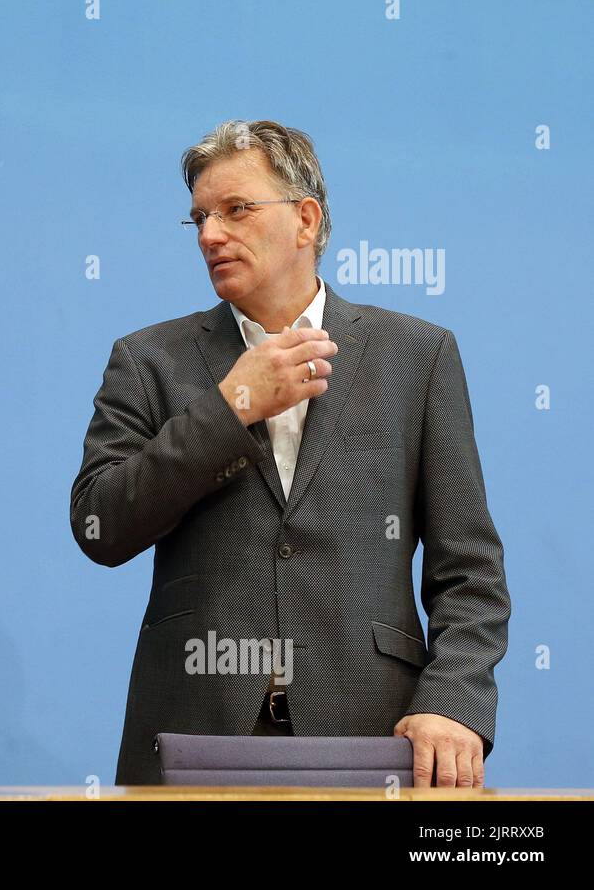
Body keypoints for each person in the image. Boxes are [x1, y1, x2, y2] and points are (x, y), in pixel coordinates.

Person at [70, 119, 510, 788]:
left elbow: (469, 570)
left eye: (236, 210)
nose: (211, 234)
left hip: (371, 731)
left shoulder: (416, 357)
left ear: (305, 219)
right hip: (197, 730)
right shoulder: (148, 359)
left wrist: (452, 701)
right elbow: (99, 523)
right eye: (199, 219)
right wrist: (228, 409)